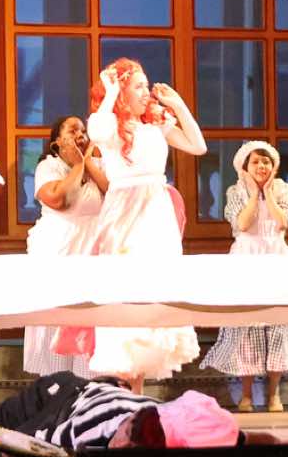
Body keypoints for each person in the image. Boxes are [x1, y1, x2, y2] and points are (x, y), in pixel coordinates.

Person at [53, 58, 206, 388]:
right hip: (125, 213)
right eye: (138, 85)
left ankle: (138, 386)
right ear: (123, 93)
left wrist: (178, 104)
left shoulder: (155, 124)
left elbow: (198, 146)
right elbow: (97, 129)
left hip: (156, 211)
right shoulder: (111, 129)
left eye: (146, 84)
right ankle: (126, 384)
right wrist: (110, 92)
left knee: (155, 290)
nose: (146, 90)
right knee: (125, 290)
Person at [0, 375, 241, 457]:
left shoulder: (191, 432)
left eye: (130, 443)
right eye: (126, 433)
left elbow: (237, 437)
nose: (122, 442)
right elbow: (17, 449)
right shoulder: (90, 431)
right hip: (58, 400)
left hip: (94, 395)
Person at [201, 139, 288, 412]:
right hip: (246, 260)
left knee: (276, 326)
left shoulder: (282, 189)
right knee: (246, 327)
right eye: (256, 161)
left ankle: (274, 394)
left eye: (266, 161)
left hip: (275, 259)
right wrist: (255, 194)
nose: (261, 166)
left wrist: (268, 193)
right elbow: (242, 224)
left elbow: (283, 222)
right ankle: (246, 395)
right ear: (245, 166)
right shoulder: (236, 191)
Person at [22, 115, 107, 377]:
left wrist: (88, 162)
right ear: (57, 142)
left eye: (83, 131)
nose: (80, 135)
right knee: (57, 315)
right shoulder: (49, 166)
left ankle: (88, 386)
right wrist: (77, 165)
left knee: (88, 317)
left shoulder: (97, 166)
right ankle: (56, 386)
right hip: (58, 247)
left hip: (92, 248)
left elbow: (113, 192)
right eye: (72, 131)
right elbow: (58, 200)